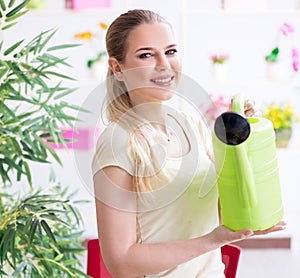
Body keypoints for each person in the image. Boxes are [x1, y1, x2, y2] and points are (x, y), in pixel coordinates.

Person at [92, 9, 286, 278]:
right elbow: (121, 263)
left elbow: (215, 215)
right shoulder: (117, 142)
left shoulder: (189, 124)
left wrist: (239, 141)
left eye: (170, 51)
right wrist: (212, 240)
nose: (164, 64)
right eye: (146, 55)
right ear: (118, 68)